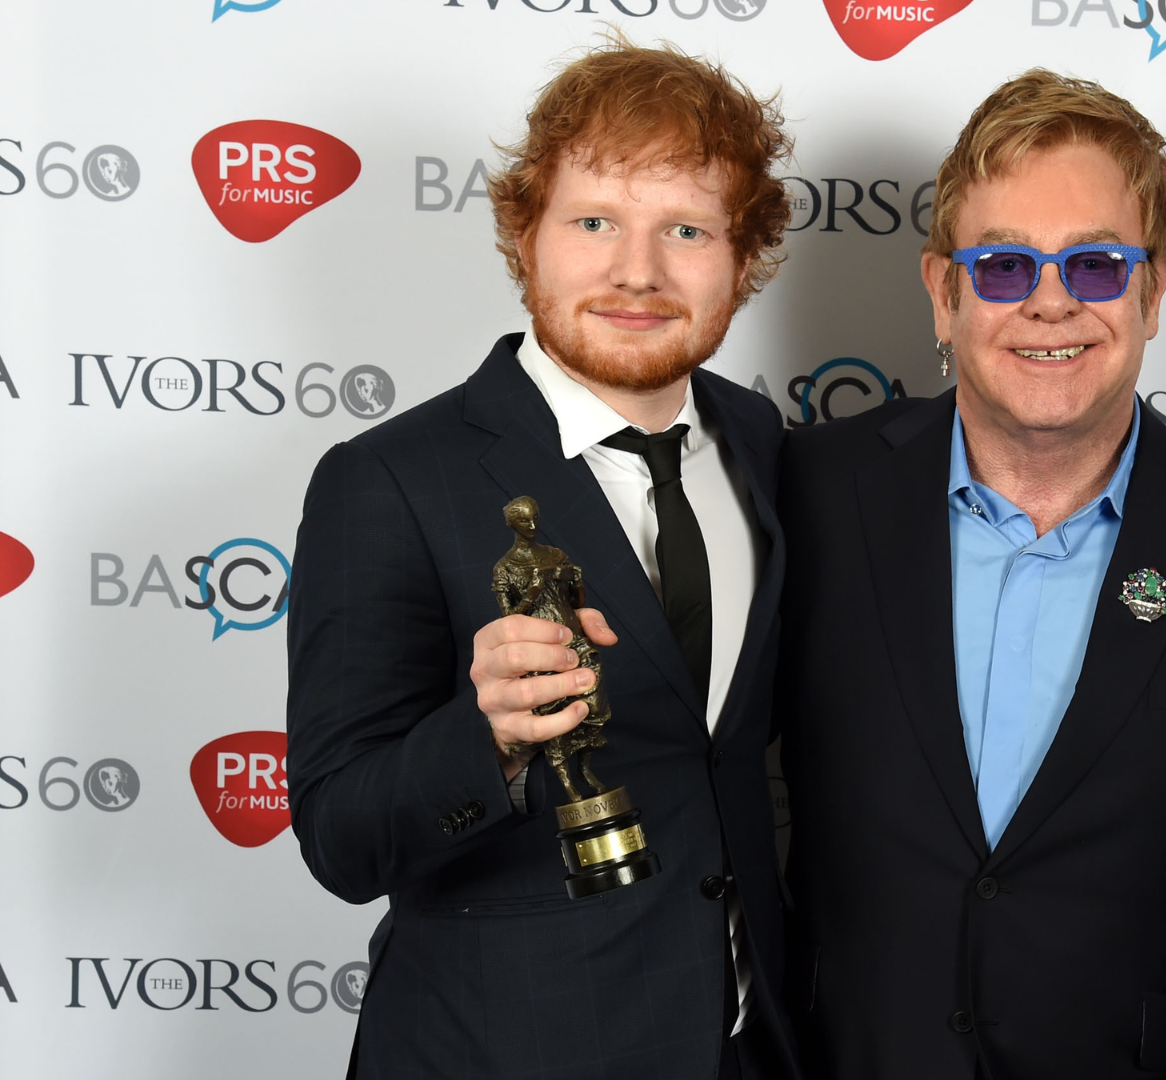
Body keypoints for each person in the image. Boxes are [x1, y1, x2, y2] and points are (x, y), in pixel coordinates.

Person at [777, 71, 1166, 1079]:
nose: (1050, 304)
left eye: (1095, 265)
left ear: (1154, 287)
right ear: (944, 290)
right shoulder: (808, 498)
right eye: (1004, 267)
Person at [286, 42, 796, 1080]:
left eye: (686, 230)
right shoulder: (387, 480)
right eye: (594, 221)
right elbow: (340, 839)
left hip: (749, 1045)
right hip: (499, 1050)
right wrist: (492, 740)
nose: (637, 272)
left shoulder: (761, 442)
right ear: (526, 235)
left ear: (745, 259)